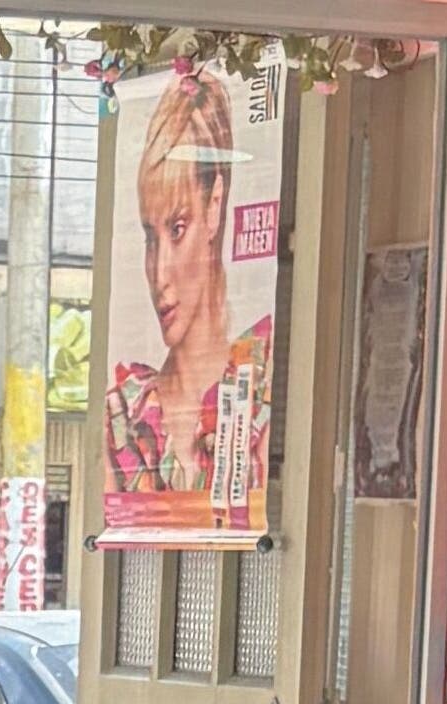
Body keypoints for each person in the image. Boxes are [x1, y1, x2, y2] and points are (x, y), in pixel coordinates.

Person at [106, 71, 273, 499]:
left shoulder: (260, 376)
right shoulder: (126, 406)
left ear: (215, 204)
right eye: (149, 236)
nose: (159, 273)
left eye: (177, 228)